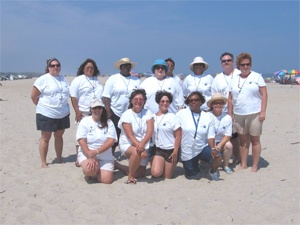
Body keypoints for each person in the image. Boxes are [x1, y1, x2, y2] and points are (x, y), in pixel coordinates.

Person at [228, 52, 268, 172]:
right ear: (238, 65)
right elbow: (230, 98)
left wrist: (263, 112)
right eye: (243, 64)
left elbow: (264, 94)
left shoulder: (257, 77)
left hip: (254, 113)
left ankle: (255, 165)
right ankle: (244, 164)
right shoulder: (234, 79)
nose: (245, 67)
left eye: (248, 64)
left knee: (255, 140)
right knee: (243, 141)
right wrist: (230, 113)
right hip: (239, 114)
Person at [31, 58, 70, 168]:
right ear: (48, 68)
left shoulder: (63, 79)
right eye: (52, 65)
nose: (55, 67)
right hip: (46, 113)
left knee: (59, 136)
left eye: (57, 65)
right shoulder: (43, 79)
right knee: (45, 137)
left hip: (62, 113)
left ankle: (59, 158)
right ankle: (44, 162)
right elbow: (34, 96)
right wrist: (42, 107)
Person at [176, 91, 222, 180]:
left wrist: (212, 148)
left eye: (196, 100)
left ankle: (212, 170)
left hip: (202, 148)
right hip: (188, 151)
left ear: (201, 101)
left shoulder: (208, 116)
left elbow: (211, 136)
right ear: (188, 102)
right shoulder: (181, 114)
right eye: (191, 100)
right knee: (194, 177)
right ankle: (198, 165)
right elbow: (175, 132)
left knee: (218, 156)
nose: (193, 102)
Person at [102, 57, 140, 156]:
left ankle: (133, 155)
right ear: (120, 67)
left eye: (129, 66)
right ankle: (110, 156)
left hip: (131, 114)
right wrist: (108, 111)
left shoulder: (136, 80)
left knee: (132, 136)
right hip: (115, 112)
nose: (127, 68)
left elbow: (141, 96)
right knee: (114, 138)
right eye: (124, 66)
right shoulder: (113, 78)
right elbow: (106, 96)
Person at [70, 58, 103, 167]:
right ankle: (78, 157)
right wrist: (77, 111)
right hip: (83, 112)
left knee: (93, 136)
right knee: (80, 137)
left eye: (92, 68)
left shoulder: (96, 80)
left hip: (96, 113)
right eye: (87, 67)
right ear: (83, 69)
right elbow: (73, 96)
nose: (90, 69)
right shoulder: (78, 80)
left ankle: (91, 155)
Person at [76, 99, 117, 184]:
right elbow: (82, 141)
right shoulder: (85, 121)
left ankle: (105, 167)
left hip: (104, 154)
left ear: (102, 109)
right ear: (91, 109)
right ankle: (92, 171)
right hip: (87, 153)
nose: (97, 110)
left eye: (99, 108)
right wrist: (90, 156)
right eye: (95, 108)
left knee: (107, 180)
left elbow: (111, 141)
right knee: (89, 170)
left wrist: (97, 152)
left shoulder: (109, 122)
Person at [118, 89, 154, 184]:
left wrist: (142, 145)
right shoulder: (126, 115)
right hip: (128, 143)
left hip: (143, 144)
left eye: (141, 99)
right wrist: (141, 148)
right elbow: (130, 135)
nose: (138, 101)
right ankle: (130, 177)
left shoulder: (148, 113)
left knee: (141, 173)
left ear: (144, 101)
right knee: (136, 152)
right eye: (136, 99)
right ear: (131, 101)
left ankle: (117, 165)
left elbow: (150, 131)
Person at [211, 52, 240, 163]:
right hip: (222, 111)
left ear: (232, 62)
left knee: (237, 136)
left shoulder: (239, 74)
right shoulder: (217, 79)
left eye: (228, 60)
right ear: (221, 63)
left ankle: (238, 157)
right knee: (225, 134)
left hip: (239, 110)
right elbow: (214, 97)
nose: (226, 62)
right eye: (224, 61)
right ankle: (224, 156)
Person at [151, 91, 181, 179]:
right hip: (158, 149)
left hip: (171, 150)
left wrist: (175, 152)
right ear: (158, 102)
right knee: (156, 173)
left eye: (167, 101)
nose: (165, 103)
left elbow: (178, 136)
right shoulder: (152, 117)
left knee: (167, 177)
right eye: (162, 101)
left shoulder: (173, 117)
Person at [207, 93, 233, 174]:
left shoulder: (227, 117)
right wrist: (212, 146)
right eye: (215, 103)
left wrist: (219, 146)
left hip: (221, 142)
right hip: (208, 142)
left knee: (229, 145)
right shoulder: (207, 116)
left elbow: (228, 135)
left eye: (220, 103)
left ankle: (225, 165)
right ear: (211, 105)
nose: (218, 105)